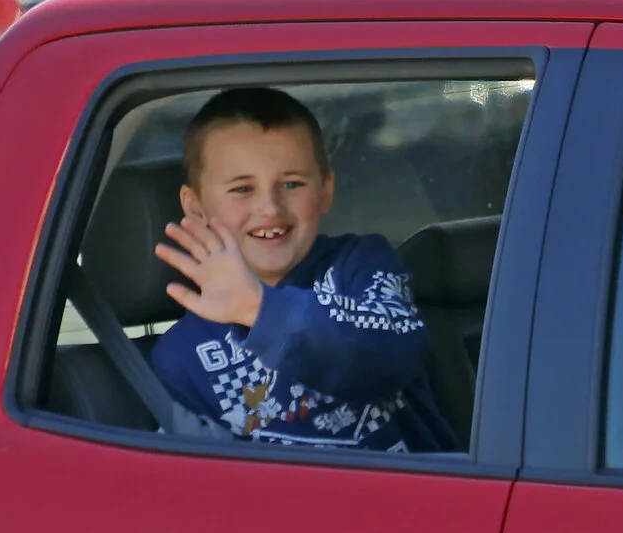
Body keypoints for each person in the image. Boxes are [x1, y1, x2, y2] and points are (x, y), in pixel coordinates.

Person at [148, 87, 455, 453]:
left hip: (422, 490)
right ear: (195, 206)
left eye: (291, 184)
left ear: (325, 190)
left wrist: (259, 310)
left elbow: (394, 354)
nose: (270, 208)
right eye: (242, 188)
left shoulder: (360, 265)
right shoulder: (181, 358)